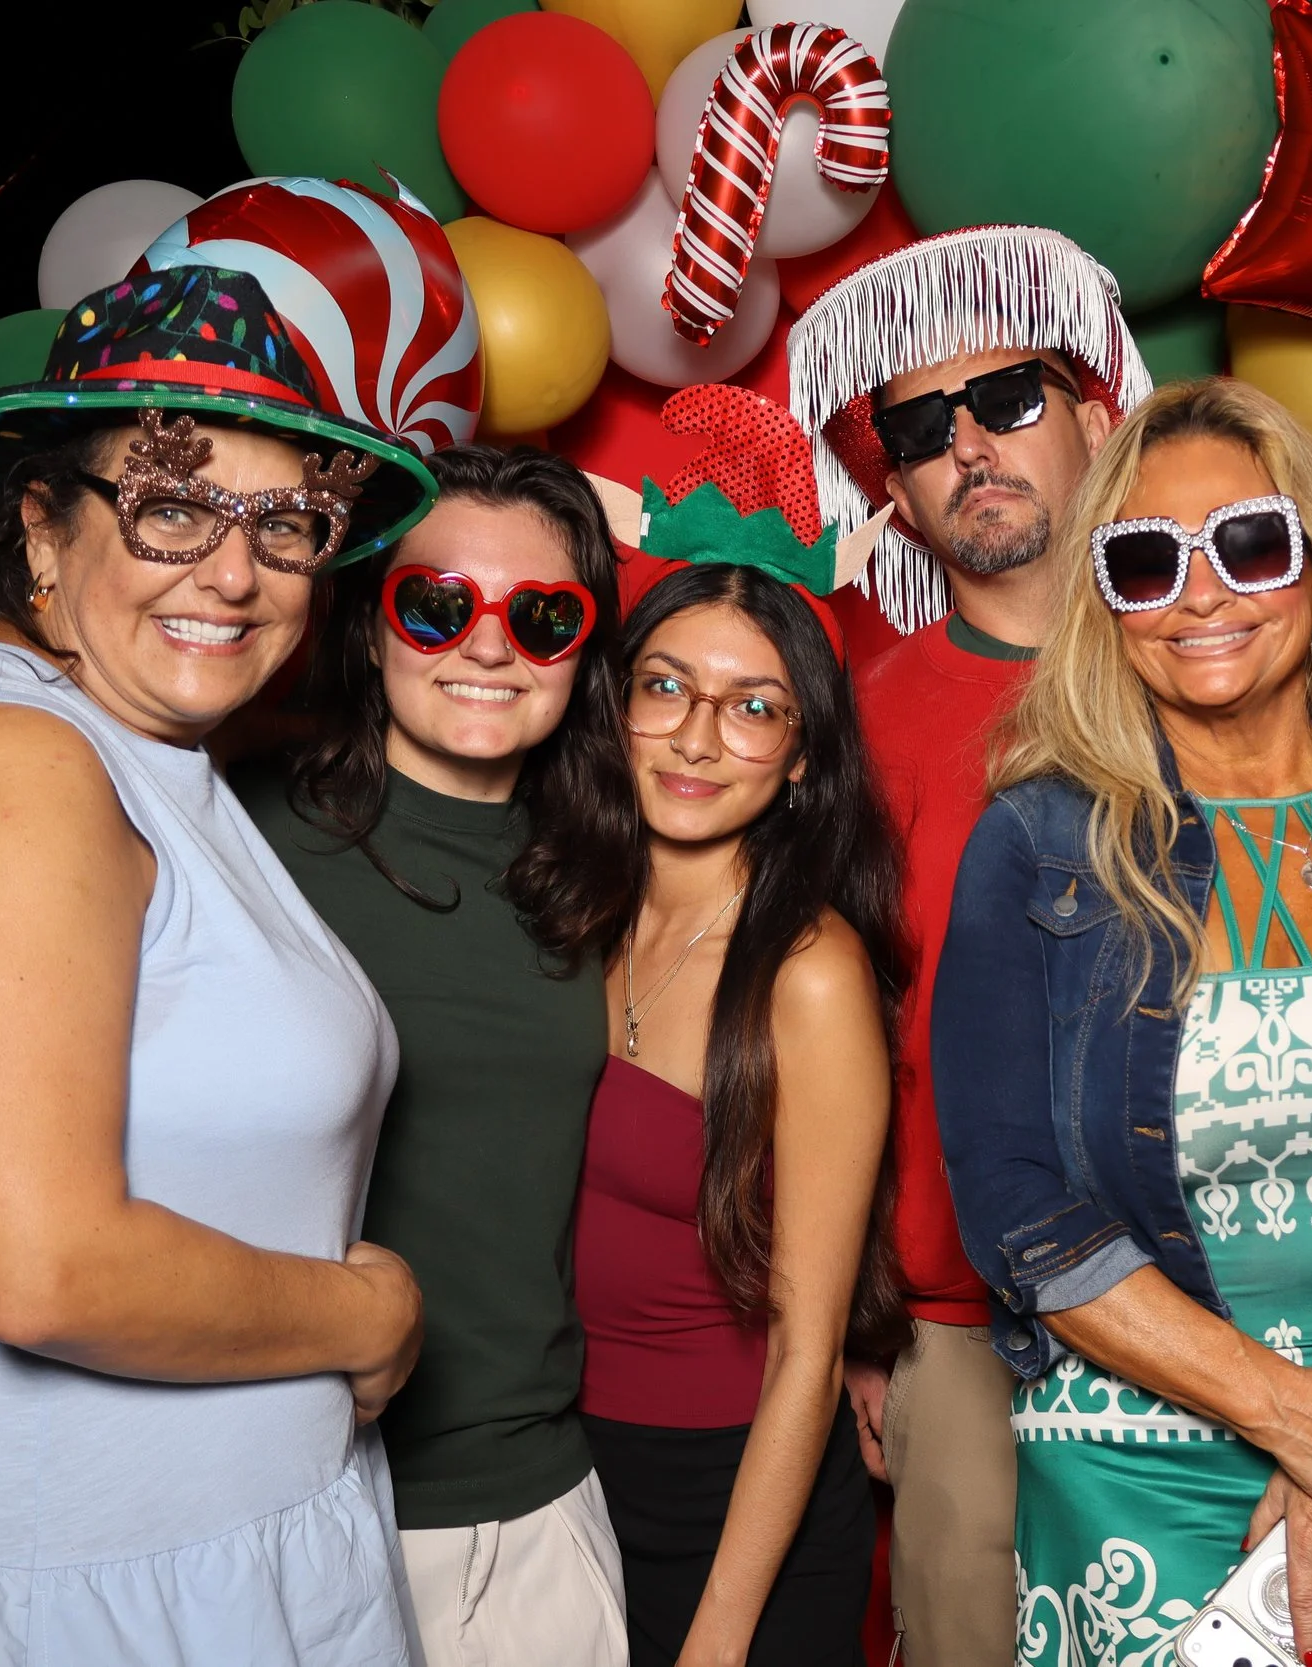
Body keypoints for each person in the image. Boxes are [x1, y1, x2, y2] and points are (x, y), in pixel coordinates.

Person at [936, 376, 1312, 1666]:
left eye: (1248, 542)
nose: (1200, 595)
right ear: (1106, 600)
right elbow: (1014, 1202)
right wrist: (1293, 1418)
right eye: (1146, 562)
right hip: (1139, 1467)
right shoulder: (1036, 844)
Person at [0, 267, 438, 1663]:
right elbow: (42, 1263)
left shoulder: (143, 747)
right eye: (173, 503)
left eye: (287, 524)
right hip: (99, 1597)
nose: (233, 571)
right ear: (44, 522)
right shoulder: (18, 757)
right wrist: (371, 1305)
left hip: (234, 1560)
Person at [785, 223, 1151, 1667]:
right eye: (920, 428)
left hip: (1236, 1292)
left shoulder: (1211, 648)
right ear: (894, 479)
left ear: (1091, 416)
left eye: (1006, 399)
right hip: (964, 1325)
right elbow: (833, 1027)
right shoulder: (853, 716)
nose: (969, 448)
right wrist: (871, 1317)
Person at [238, 445, 634, 1666]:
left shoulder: (612, 875)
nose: (487, 645)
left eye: (544, 615)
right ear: (371, 624)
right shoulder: (237, 837)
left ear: (583, 650)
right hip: (267, 1511)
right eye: (437, 603)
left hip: (521, 1519)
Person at [570, 532, 905, 1667]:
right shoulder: (575, 913)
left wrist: (719, 1634)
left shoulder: (810, 973)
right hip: (569, 1481)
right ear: (614, 708)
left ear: (803, 755)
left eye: (754, 706)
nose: (699, 736)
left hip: (738, 1498)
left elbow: (806, 1355)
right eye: (665, 687)